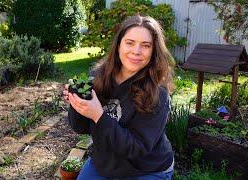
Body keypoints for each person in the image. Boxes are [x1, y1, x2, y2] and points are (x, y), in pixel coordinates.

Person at [63, 15, 175, 179]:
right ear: (118, 45)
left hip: (145, 169)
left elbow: (136, 149)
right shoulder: (98, 77)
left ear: (153, 51)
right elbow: (80, 127)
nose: (136, 51)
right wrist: (77, 104)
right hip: (106, 162)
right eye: (129, 43)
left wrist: (98, 115)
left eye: (145, 45)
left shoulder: (158, 94)